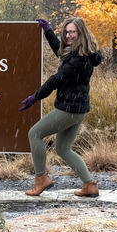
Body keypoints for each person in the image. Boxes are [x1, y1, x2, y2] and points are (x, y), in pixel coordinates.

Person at [18, 17, 103, 197]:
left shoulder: (79, 59)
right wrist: (48, 31)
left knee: (34, 134)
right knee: (63, 148)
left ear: (81, 33)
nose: (68, 35)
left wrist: (35, 97)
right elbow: (60, 51)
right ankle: (89, 185)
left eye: (72, 32)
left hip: (68, 109)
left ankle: (41, 178)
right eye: (66, 32)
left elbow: (56, 80)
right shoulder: (80, 52)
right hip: (78, 108)